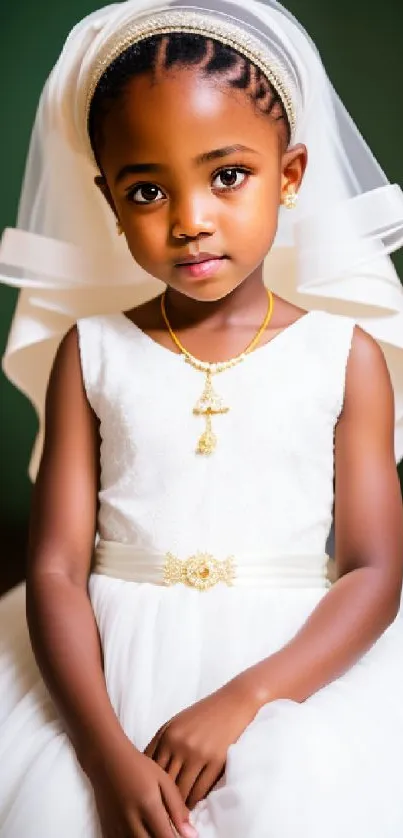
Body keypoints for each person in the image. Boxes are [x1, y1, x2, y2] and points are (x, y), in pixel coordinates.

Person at [1, 0, 403, 835]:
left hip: (290, 667)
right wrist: (105, 751)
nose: (189, 219)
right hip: (105, 667)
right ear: (109, 199)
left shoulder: (346, 354)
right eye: (146, 188)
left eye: (227, 175)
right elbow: (53, 571)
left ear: (289, 175)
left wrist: (248, 699)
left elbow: (371, 571)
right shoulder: (93, 350)